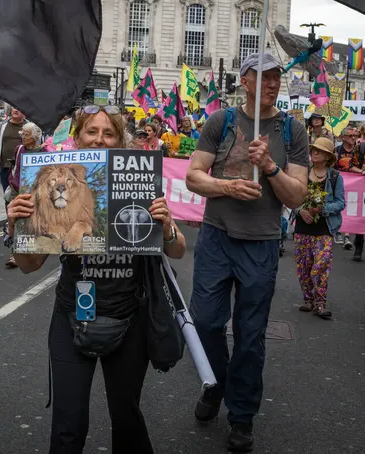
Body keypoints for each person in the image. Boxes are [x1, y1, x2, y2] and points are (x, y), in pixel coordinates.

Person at [7, 104, 186, 454]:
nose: (100, 139)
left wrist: (165, 227)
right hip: (73, 313)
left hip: (128, 316)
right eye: (92, 131)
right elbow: (29, 265)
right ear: (78, 138)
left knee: (127, 420)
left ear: (121, 140)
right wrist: (17, 227)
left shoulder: (139, 177)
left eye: (109, 133)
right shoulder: (52, 177)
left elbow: (177, 249)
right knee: (67, 428)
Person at [185, 52, 309, 452]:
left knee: (251, 335)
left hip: (261, 243)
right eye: (263, 76)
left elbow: (298, 195)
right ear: (246, 81)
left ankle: (241, 415)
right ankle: (216, 384)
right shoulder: (220, 121)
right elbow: (193, 176)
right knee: (204, 323)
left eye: (276, 76)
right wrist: (228, 187)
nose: (272, 83)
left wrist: (271, 167)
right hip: (217, 237)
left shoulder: (293, 130)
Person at [294, 138, 344, 319]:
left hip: (324, 230)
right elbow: (291, 197)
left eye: (320, 151)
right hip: (302, 229)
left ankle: (320, 302)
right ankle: (308, 300)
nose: (315, 152)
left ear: (328, 157)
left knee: (320, 266)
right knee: (304, 267)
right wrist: (300, 211)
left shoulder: (335, 177)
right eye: (314, 149)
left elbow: (340, 203)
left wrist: (322, 209)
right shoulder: (302, 173)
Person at [4, 122, 44, 268]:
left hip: (35, 193)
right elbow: (16, 167)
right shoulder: (19, 149)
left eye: (26, 135)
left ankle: (33, 249)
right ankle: (14, 254)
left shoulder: (44, 151)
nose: (23, 137)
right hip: (16, 191)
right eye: (22, 134)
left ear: (35, 137)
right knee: (16, 223)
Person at [334, 126, 364, 253]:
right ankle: (339, 231)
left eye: (355, 136)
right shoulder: (337, 150)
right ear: (343, 137)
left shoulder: (358, 148)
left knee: (354, 208)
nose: (353, 138)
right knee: (342, 207)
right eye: (350, 136)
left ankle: (348, 237)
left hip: (357, 186)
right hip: (341, 184)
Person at [0, 106, 26, 192]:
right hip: (5, 167)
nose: (16, 110)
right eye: (14, 107)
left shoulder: (29, 126)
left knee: (23, 194)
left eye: (19, 108)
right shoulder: (1, 125)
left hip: (23, 168)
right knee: (7, 194)